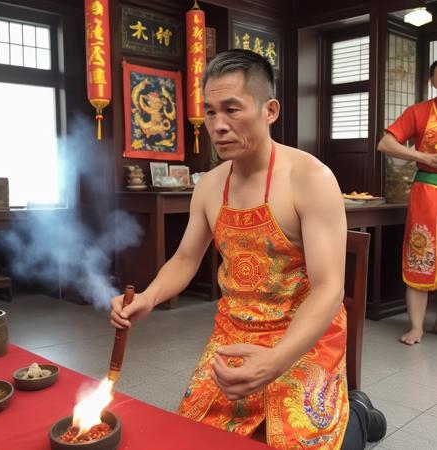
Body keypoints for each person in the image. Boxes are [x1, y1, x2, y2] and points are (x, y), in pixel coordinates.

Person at [111, 49, 386, 449]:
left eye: (232, 110)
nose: (218, 126)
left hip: (303, 331)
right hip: (234, 331)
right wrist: (149, 297)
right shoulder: (208, 185)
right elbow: (186, 257)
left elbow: (329, 288)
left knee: (303, 441)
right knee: (190, 438)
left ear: (269, 110)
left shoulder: (311, 178)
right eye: (210, 112)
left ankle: (358, 412)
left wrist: (277, 360)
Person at [378, 61, 437, 346]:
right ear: (433, 81)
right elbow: (386, 144)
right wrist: (422, 157)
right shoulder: (420, 111)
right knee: (421, 254)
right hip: (428, 192)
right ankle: (416, 327)